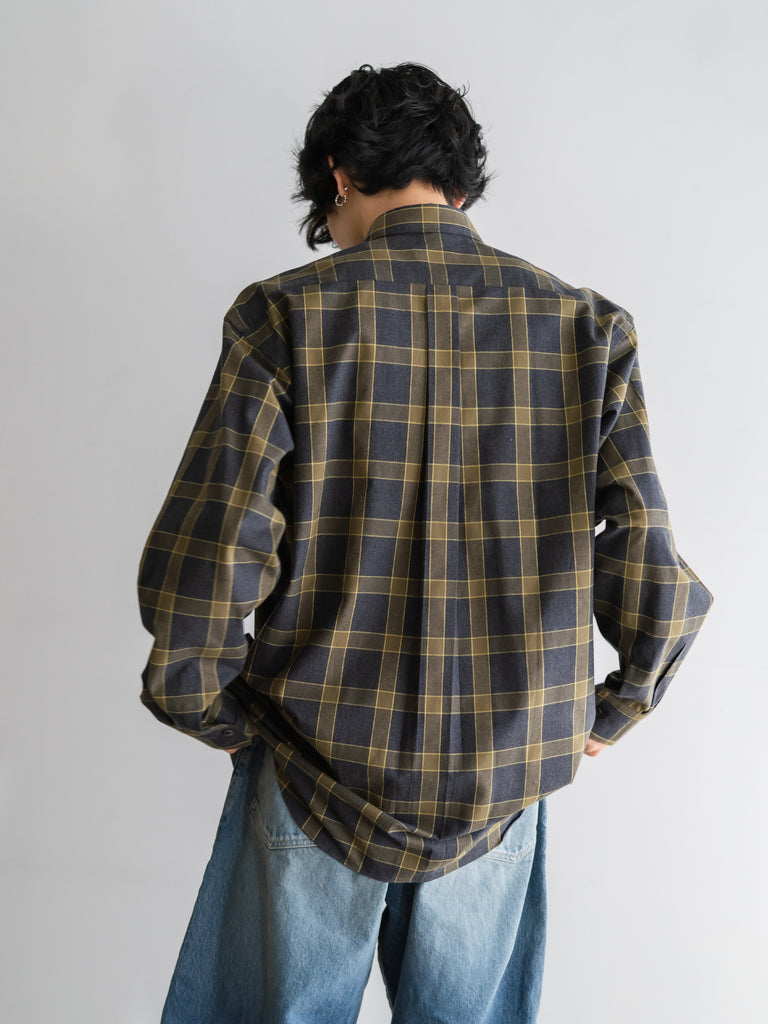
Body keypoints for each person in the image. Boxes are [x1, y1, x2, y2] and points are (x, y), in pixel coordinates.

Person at [138, 62, 713, 1023]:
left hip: (309, 769)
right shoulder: (587, 329)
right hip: (501, 785)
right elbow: (647, 555)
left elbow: (213, 554)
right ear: (459, 186)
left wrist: (208, 707)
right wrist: (617, 707)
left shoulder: (283, 315)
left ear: (338, 176)